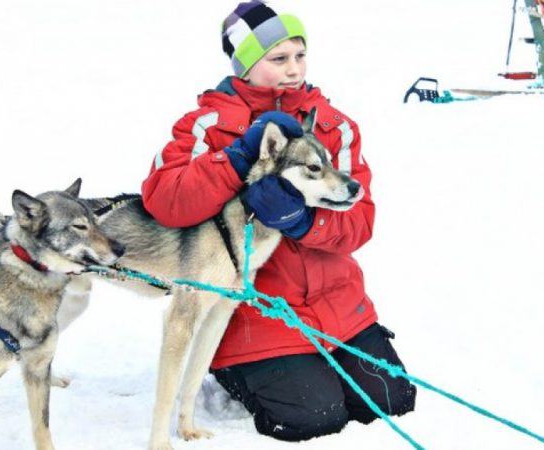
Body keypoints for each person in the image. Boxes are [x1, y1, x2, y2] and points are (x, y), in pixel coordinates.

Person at [140, 0, 416, 442]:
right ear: (244, 65)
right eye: (278, 58)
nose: (293, 69)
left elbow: (360, 222)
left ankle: (319, 360)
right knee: (314, 417)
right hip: (255, 313)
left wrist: (304, 224)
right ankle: (234, 368)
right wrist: (234, 160)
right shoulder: (206, 126)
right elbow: (164, 201)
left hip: (336, 304)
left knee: (391, 400)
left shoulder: (333, 126)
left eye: (300, 55)